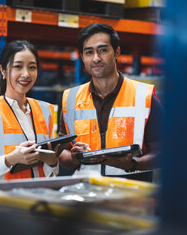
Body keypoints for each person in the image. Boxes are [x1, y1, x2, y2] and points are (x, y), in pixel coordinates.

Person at [58, 23, 162, 181]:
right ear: (82, 57)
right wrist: (74, 158)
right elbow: (61, 152)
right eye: (89, 52)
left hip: (131, 197)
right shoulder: (71, 99)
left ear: (117, 52)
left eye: (103, 50)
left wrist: (134, 164)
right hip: (87, 195)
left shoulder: (144, 97)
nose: (96, 58)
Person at [0, 40, 59, 181]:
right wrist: (10, 160)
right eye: (18, 66)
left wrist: (53, 162)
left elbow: (50, 171)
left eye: (32, 67)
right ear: (3, 70)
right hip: (4, 199)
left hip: (39, 196)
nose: (26, 74)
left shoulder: (45, 110)